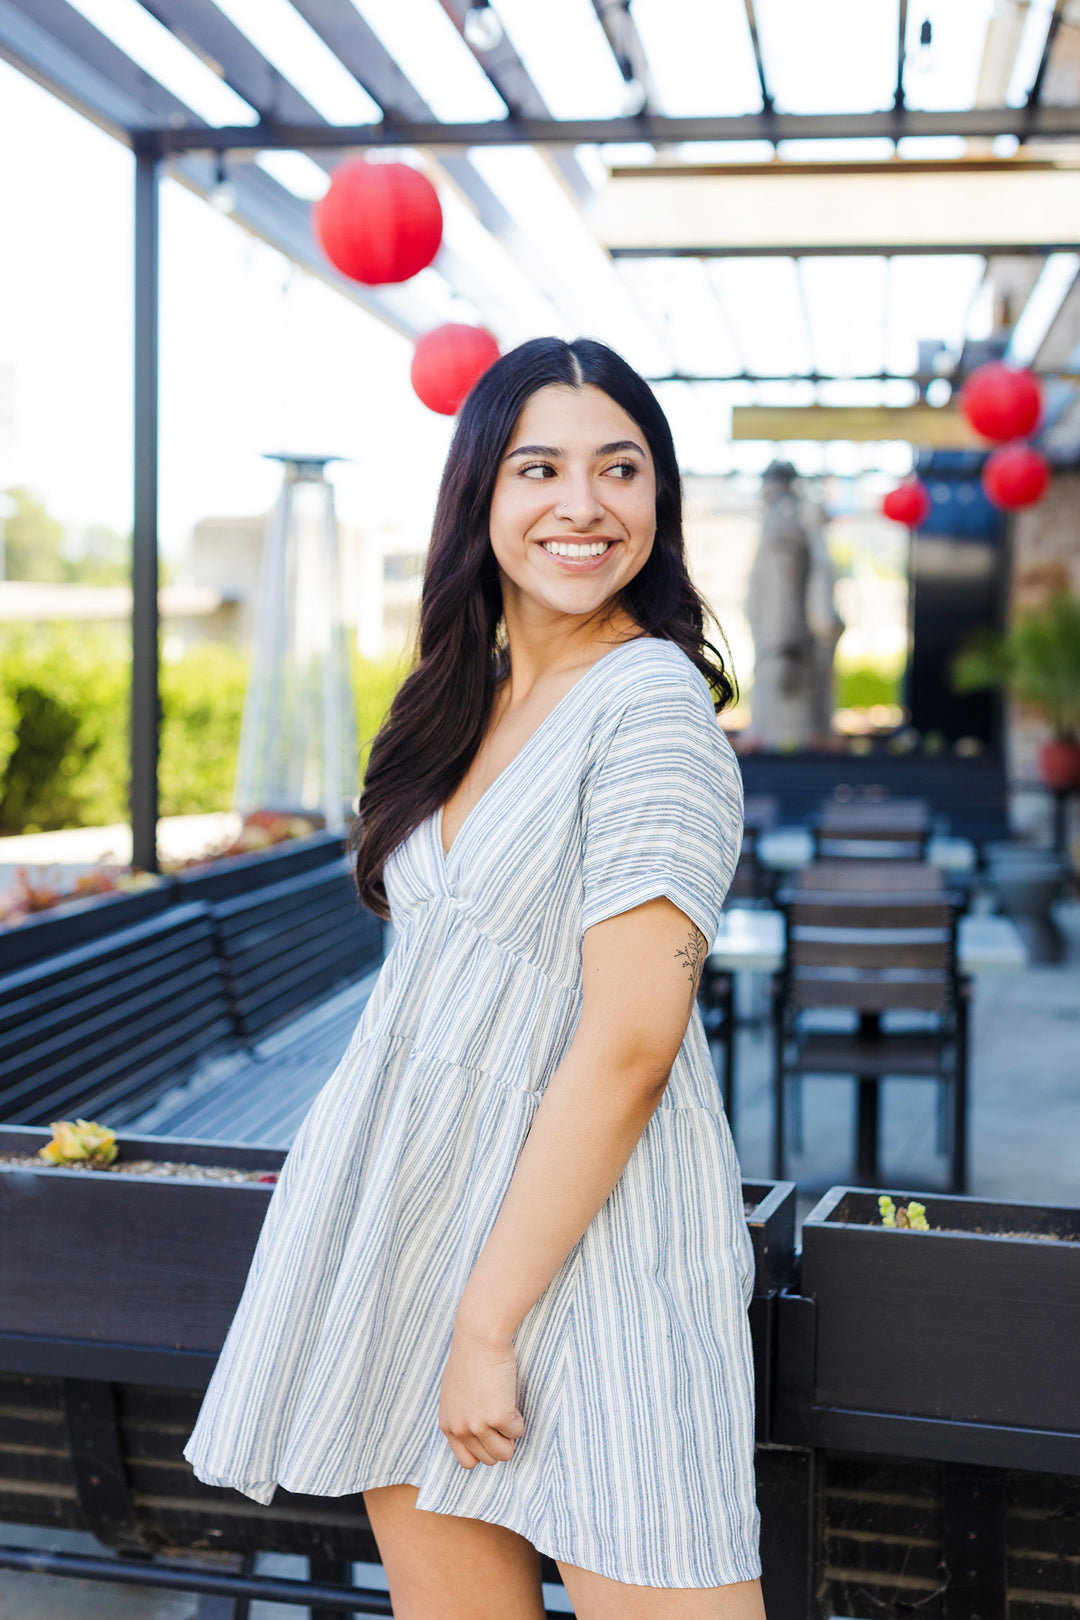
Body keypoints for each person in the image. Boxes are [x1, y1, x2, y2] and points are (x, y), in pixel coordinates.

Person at [185, 337, 764, 1620]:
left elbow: (632, 1040)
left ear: (658, 501)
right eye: (538, 467)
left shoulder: (650, 706)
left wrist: (486, 1326)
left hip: (594, 1246)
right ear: (479, 497)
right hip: (415, 1216)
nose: (582, 505)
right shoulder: (470, 701)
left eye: (621, 468)